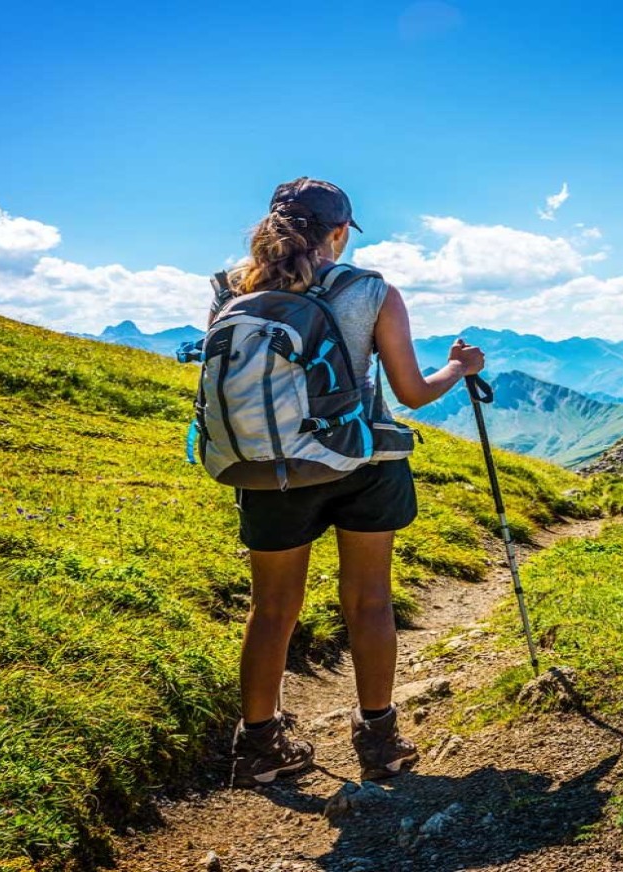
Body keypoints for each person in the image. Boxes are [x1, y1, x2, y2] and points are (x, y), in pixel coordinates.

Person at [216, 177, 484, 786]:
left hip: (268, 468)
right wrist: (459, 367)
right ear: (340, 232)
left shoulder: (233, 290)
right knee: (368, 601)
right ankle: (379, 740)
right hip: (362, 465)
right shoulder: (372, 290)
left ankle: (259, 746)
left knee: (272, 609)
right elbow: (413, 392)